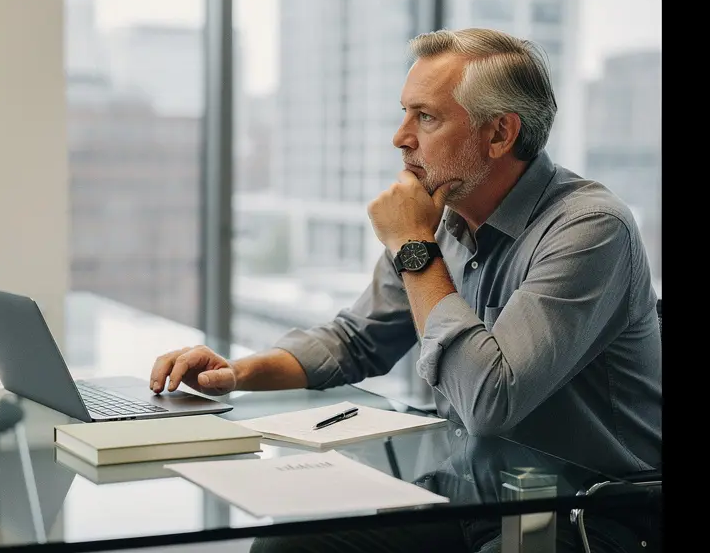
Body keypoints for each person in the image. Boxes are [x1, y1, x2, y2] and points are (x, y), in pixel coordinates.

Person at [148, 27, 661, 552]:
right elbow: (356, 339)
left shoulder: (589, 229)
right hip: (470, 495)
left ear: (500, 134)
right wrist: (237, 373)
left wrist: (414, 245)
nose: (401, 136)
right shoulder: (443, 221)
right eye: (404, 112)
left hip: (586, 515)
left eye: (426, 116)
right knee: (286, 547)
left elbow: (491, 401)